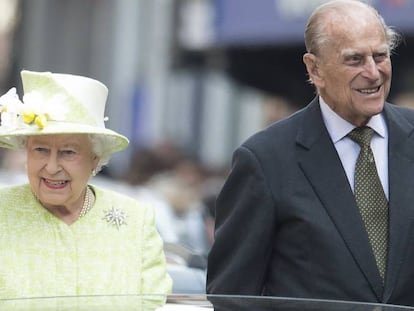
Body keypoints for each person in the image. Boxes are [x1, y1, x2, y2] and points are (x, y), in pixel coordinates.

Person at [207, 0, 414, 307]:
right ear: (315, 69)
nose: (373, 73)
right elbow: (233, 296)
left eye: (380, 56)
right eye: (354, 59)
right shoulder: (265, 160)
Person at [0, 70, 172, 300]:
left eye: (68, 152)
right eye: (40, 150)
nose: (51, 167)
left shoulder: (135, 220)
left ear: (95, 158)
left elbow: (153, 303)